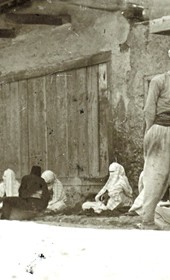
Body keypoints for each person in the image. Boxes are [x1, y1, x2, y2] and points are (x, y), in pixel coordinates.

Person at [140, 72, 170, 229]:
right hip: (162, 129)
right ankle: (148, 221)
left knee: (155, 176)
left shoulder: (160, 80)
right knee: (155, 177)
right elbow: (149, 109)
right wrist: (151, 133)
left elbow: (149, 110)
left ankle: (148, 220)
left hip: (160, 130)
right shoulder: (160, 80)